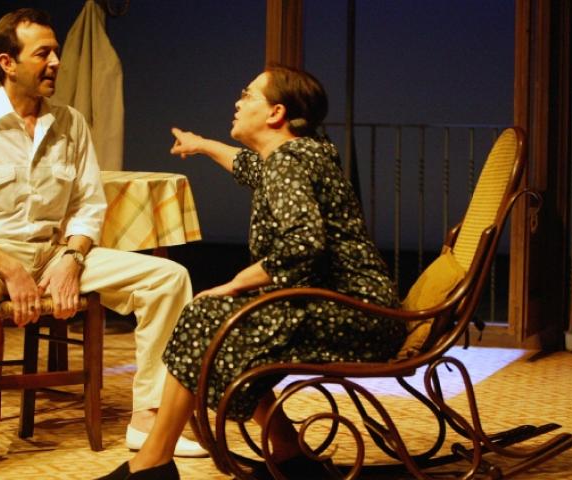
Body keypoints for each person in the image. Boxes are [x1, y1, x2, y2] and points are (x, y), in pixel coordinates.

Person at [0, 8, 205, 480]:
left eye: (55, 52)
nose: (55, 62)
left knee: (168, 279)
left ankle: (147, 418)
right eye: (43, 54)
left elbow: (89, 206)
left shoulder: (70, 123)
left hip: (55, 252)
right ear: (7, 62)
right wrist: (11, 270)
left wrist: (72, 257)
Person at [97, 65, 407, 480]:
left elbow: (303, 245)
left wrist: (233, 285)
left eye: (247, 95)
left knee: (208, 314)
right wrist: (202, 144)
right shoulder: (300, 154)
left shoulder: (288, 162)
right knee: (223, 320)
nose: (238, 102)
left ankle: (152, 463)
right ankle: (289, 453)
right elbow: (248, 167)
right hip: (358, 308)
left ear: (276, 113)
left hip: (359, 314)